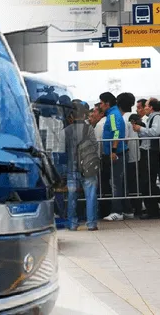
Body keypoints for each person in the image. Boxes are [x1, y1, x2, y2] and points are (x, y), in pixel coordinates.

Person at [64, 103, 99, 231]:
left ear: (72, 115)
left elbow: (63, 150)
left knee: (72, 197)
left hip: (71, 168)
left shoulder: (66, 130)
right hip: (88, 168)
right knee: (91, 195)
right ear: (84, 114)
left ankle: (72, 224)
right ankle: (91, 224)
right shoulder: (89, 128)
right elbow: (95, 145)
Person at [99, 92, 131, 221]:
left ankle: (117, 211)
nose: (100, 105)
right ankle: (127, 210)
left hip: (116, 153)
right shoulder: (114, 114)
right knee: (120, 182)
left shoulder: (112, 115)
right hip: (119, 152)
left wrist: (113, 150)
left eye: (101, 103)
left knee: (116, 183)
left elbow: (116, 132)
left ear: (107, 103)